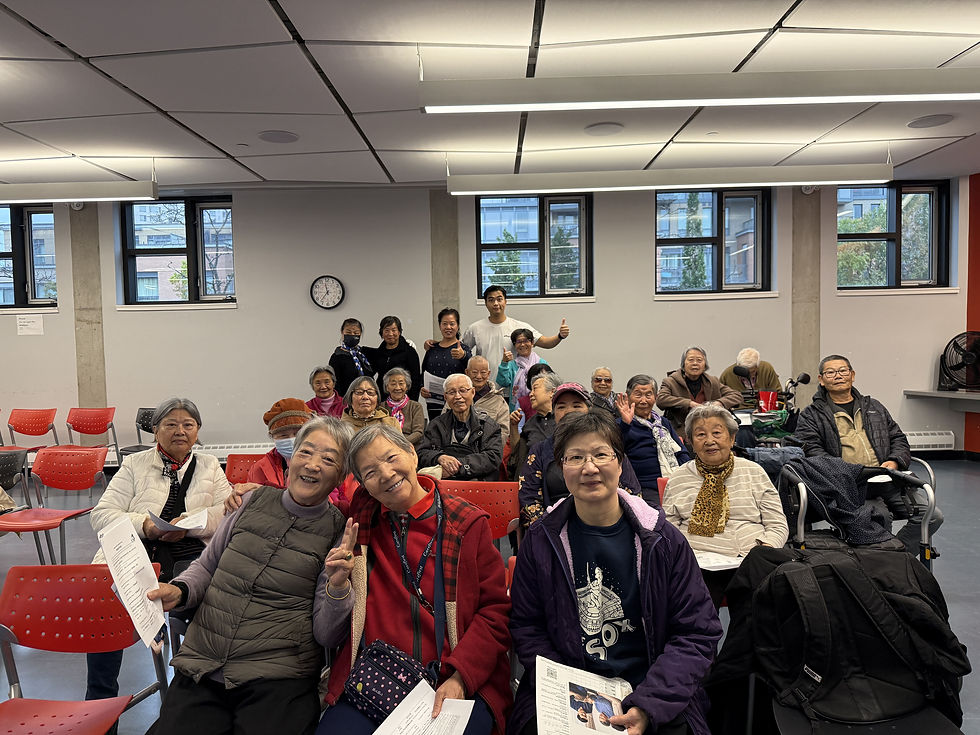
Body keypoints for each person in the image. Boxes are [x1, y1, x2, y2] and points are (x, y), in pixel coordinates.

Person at [508, 411, 722, 735]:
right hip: (570, 690)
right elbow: (527, 627)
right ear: (562, 468)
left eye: (600, 454)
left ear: (620, 463)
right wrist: (571, 691)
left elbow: (697, 633)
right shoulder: (541, 542)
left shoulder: (663, 541)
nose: (589, 467)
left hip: (652, 688)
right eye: (575, 457)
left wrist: (649, 704)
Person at [145, 417, 355, 735]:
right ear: (291, 457)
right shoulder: (250, 501)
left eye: (328, 459)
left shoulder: (338, 530)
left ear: (340, 475)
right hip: (205, 663)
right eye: (306, 452)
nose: (313, 465)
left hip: (278, 675)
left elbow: (326, 635)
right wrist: (181, 590)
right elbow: (207, 565)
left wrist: (338, 588)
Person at [318, 423, 512, 734]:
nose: (386, 474)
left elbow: (495, 612)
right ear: (364, 486)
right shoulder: (363, 521)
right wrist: (254, 492)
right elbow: (311, 504)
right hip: (375, 675)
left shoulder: (466, 523)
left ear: (412, 453)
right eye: (370, 472)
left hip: (451, 675)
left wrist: (461, 677)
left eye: (391, 457)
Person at [86, 398, 232, 719]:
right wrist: (146, 525)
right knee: (103, 617)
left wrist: (191, 524)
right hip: (135, 553)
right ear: (155, 430)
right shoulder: (134, 464)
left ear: (197, 430)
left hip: (191, 556)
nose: (180, 431)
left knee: (214, 609)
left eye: (188, 425)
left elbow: (228, 513)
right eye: (171, 424)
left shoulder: (209, 465)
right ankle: (99, 702)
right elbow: (102, 514)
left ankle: (195, 703)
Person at [793, 354, 942, 553]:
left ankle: (896, 560)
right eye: (830, 372)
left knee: (932, 516)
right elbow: (812, 452)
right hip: (850, 485)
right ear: (821, 379)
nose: (838, 376)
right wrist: (850, 471)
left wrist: (894, 461)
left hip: (889, 479)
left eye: (843, 371)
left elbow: (898, 439)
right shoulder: (811, 415)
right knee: (879, 518)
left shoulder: (874, 407)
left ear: (852, 375)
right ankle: (884, 563)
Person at [661, 403, 789, 607]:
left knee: (757, 604)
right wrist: (685, 557)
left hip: (751, 558)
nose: (709, 441)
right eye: (700, 434)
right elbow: (668, 529)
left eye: (717, 433)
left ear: (732, 438)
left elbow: (777, 524)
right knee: (697, 604)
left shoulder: (754, 472)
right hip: (699, 562)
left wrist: (765, 549)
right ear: (691, 442)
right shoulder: (678, 479)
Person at [519, 382, 642, 529]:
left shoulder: (608, 446)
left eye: (576, 405)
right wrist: (551, 531)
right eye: (561, 407)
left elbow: (632, 493)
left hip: (611, 524)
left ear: (589, 409)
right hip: (554, 527)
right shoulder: (540, 451)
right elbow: (528, 499)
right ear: (553, 413)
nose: (569, 411)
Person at [458, 285, 569, 383]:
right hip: (485, 387)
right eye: (491, 300)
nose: (496, 303)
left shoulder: (518, 326)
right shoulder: (475, 328)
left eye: (499, 299)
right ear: (486, 303)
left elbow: (546, 342)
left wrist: (560, 336)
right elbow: (463, 352)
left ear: (505, 302)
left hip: (513, 387)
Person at [615, 374, 690, 505]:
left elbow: (681, 452)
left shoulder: (663, 423)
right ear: (628, 397)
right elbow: (617, 451)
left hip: (673, 480)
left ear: (655, 397)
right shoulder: (622, 425)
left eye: (648, 395)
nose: (643, 401)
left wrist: (684, 475)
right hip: (644, 486)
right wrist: (626, 424)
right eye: (638, 395)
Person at [417, 373, 503, 481]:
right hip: (443, 483)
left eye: (463, 390)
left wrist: (458, 466)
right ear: (445, 397)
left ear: (473, 392)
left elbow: (493, 457)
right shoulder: (436, 424)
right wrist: (439, 457)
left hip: (477, 483)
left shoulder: (488, 425)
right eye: (452, 392)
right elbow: (422, 453)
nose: (457, 396)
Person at [657, 346, 740, 428]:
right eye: (691, 360)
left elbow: (736, 395)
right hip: (682, 427)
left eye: (699, 360)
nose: (695, 363)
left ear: (705, 365)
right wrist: (689, 403)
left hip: (709, 426)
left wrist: (719, 403)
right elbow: (661, 399)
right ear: (683, 364)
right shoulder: (670, 381)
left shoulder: (712, 381)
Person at [420, 307, 472, 420]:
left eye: (452, 324)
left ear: (458, 326)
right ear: (439, 326)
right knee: (436, 428)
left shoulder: (463, 349)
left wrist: (463, 356)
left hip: (457, 402)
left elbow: (471, 372)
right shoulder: (432, 349)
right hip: (434, 403)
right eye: (444, 324)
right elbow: (423, 373)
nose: (448, 327)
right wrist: (422, 388)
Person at [249, 398, 313, 488]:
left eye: (298, 433)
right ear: (273, 437)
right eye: (283, 435)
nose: (292, 440)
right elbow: (254, 496)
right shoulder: (259, 469)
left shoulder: (324, 463)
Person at [508, 371, 560, 479]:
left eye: (535, 389)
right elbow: (517, 454)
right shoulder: (530, 424)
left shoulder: (563, 419)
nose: (531, 394)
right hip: (533, 479)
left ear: (552, 392)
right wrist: (513, 426)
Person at [367, 316, 422, 401]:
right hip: (382, 399)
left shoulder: (409, 352)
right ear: (382, 333)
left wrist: (412, 402)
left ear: (399, 332)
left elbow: (416, 379)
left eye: (394, 330)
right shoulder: (378, 352)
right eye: (386, 330)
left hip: (404, 399)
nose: (390, 334)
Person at [497, 328, 548, 412]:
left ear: (532, 342)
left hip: (538, 407)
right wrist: (504, 363)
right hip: (517, 409)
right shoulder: (512, 364)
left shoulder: (541, 363)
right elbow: (503, 383)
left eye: (526, 341)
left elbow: (548, 386)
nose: (522, 345)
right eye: (518, 342)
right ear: (514, 345)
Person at [465, 355, 510, 445]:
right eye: (474, 372)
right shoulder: (458, 396)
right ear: (467, 372)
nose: (479, 376)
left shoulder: (499, 401)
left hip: (487, 450)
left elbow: (503, 433)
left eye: (483, 372)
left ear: (489, 374)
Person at [329, 318, 373, 397]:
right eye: (348, 332)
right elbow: (335, 384)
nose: (352, 335)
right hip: (346, 399)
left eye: (356, 333)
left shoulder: (364, 354)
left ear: (360, 334)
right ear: (342, 332)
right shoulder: (337, 356)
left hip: (367, 398)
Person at [383, 367, 425, 447]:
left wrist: (401, 443)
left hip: (410, 446)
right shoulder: (381, 407)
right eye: (393, 384)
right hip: (386, 446)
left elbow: (418, 432)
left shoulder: (415, 407)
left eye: (401, 383)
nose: (397, 388)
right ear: (387, 387)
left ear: (407, 387)